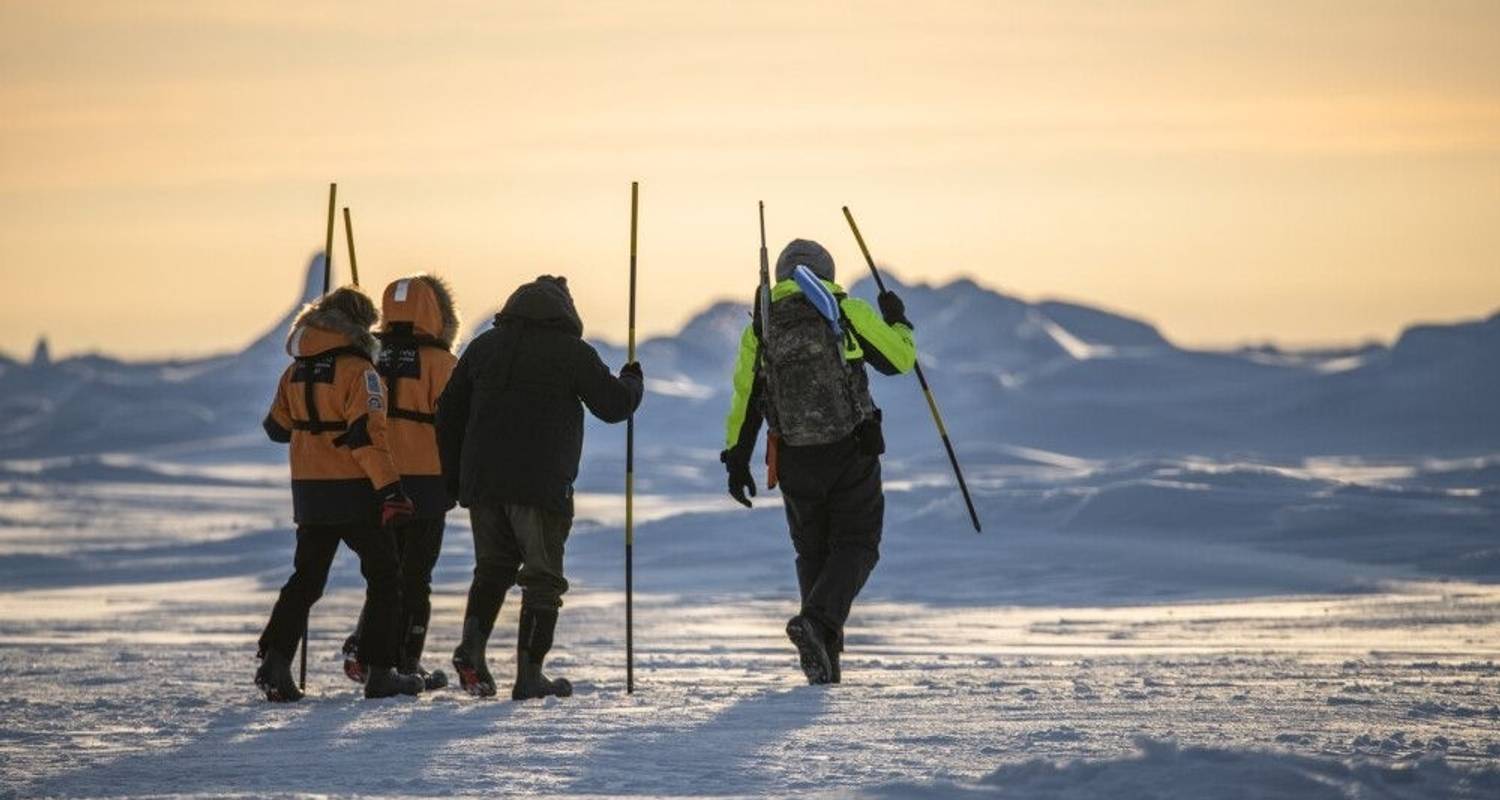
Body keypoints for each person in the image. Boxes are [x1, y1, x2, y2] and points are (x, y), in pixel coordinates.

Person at [437, 275, 643, 700]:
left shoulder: (482, 347)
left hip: (484, 486)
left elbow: (448, 413)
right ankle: (529, 675)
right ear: (565, 310)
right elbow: (614, 406)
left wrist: (456, 479)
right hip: (541, 486)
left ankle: (471, 648)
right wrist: (632, 381)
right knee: (542, 580)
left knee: (491, 569)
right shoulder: (571, 352)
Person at [720, 239, 916, 685]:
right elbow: (901, 359)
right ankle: (818, 624)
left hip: (792, 455)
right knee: (859, 543)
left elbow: (745, 399)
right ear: (827, 270)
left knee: (812, 550)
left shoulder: (763, 327)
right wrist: (898, 320)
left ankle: (823, 654)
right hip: (850, 449)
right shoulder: (844, 310)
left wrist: (736, 459)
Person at [257, 286, 425, 701]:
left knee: (306, 580)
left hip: (310, 494)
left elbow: (276, 429)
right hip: (355, 491)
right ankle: (381, 671)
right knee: (386, 578)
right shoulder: (361, 372)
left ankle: (275, 662)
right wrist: (391, 490)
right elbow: (367, 438)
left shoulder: (293, 372)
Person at [339, 275, 460, 692]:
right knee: (416, 576)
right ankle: (405, 662)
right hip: (426, 483)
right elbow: (455, 421)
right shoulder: (442, 364)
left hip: (376, 479)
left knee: (385, 575)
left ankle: (369, 648)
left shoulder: (365, 355)